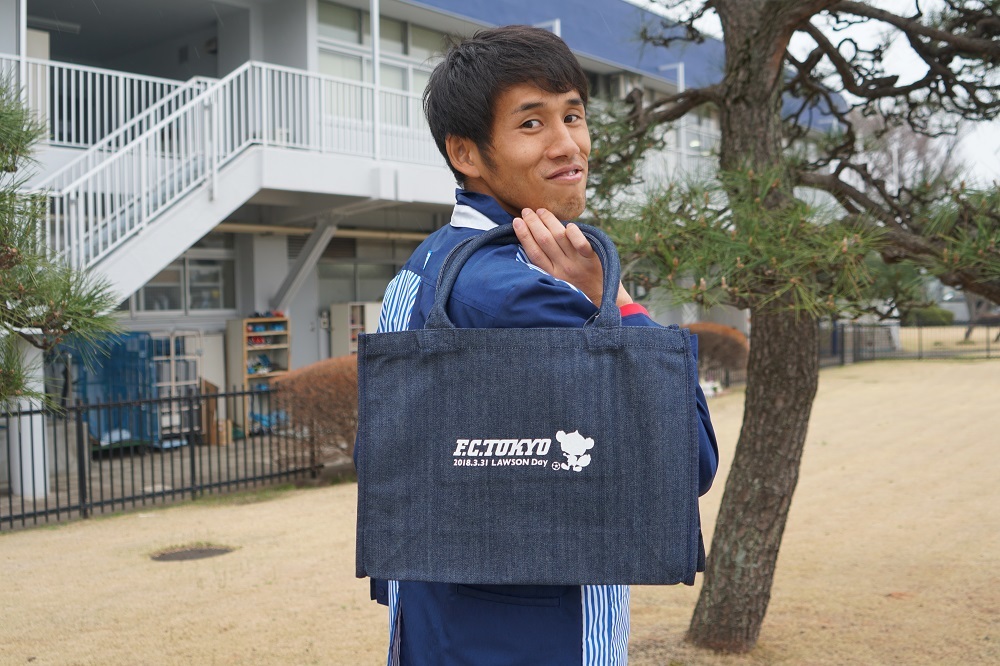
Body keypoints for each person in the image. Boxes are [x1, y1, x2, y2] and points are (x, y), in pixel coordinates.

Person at [365, 25, 719, 665]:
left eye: (573, 116)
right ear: (466, 152)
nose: (568, 145)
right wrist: (614, 300)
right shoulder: (524, 296)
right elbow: (684, 462)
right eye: (531, 124)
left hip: (436, 620)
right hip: (534, 636)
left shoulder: (422, 266)